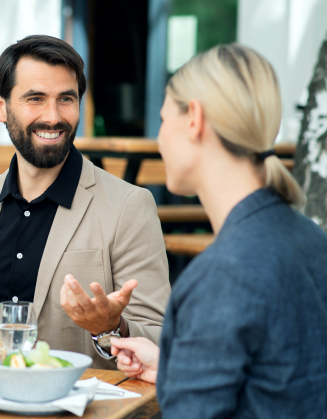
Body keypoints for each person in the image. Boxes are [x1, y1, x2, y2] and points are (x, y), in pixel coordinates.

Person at [110, 44, 327, 417]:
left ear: (194, 118)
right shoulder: (312, 239)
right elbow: (278, 378)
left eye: (163, 120)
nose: (160, 139)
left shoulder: (220, 277)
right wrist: (177, 368)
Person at [0, 35, 171, 369]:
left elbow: (160, 339)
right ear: (1, 106)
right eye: (35, 98)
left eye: (66, 99)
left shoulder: (129, 206)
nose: (53, 116)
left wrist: (111, 327)